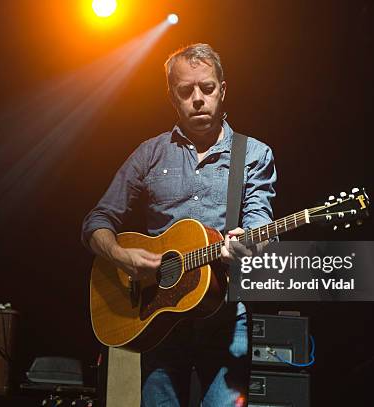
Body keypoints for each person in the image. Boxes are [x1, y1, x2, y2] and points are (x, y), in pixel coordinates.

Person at [81, 43, 276, 406]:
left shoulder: (253, 154)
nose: (198, 99)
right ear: (173, 96)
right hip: (158, 318)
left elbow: (258, 218)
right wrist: (121, 256)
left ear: (223, 89)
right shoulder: (149, 154)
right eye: (186, 91)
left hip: (225, 316)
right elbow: (97, 221)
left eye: (207, 88)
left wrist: (249, 241)